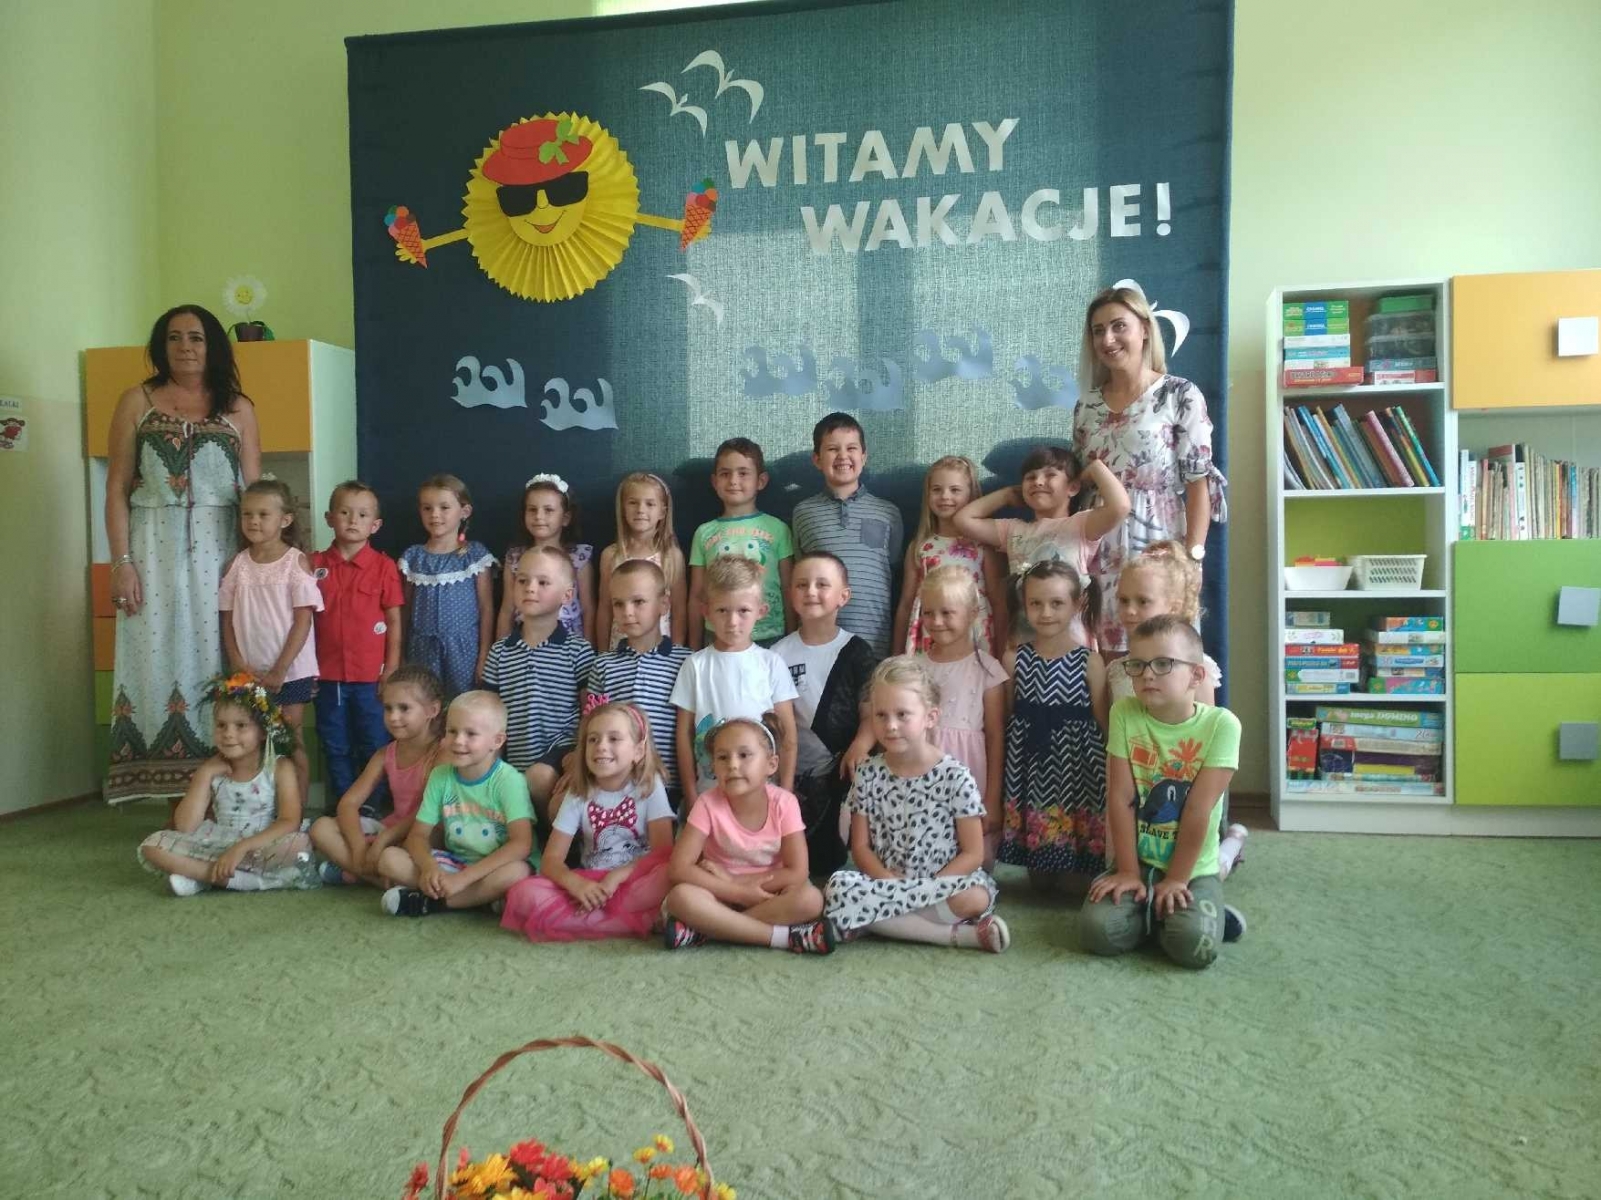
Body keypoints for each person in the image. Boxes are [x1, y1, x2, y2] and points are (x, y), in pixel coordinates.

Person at [104, 304, 261, 805]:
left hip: (223, 552)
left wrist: (263, 564)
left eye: (196, 337)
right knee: (156, 662)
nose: (185, 347)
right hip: (152, 550)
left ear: (212, 345)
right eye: (174, 337)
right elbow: (116, 488)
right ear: (160, 345)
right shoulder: (137, 401)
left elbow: (256, 492)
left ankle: (230, 796)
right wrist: (121, 563)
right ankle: (174, 801)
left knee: (223, 659)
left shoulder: (239, 408)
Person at [1072, 283, 1229, 653]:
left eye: (1118, 326)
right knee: (1105, 654)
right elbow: (1080, 478)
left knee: (1164, 651)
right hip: (1098, 542)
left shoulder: (1180, 394)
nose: (1108, 339)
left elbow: (1198, 482)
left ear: (1144, 329)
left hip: (1159, 541)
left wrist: (1192, 559)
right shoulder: (1086, 406)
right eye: (1098, 331)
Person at [1081, 615, 1244, 968]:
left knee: (1193, 949)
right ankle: (1162, 915)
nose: (1147, 675)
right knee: (1097, 933)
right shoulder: (1125, 713)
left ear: (1196, 676)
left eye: (1163, 664)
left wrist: (1177, 880)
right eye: (1137, 665)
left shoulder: (1222, 725)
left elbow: (1197, 810)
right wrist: (1128, 871)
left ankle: (1203, 910)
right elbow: (1121, 799)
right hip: (1140, 861)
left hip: (1192, 869)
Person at [823, 657, 1008, 952]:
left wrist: (927, 886)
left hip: (941, 884)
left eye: (902, 715)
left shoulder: (956, 776)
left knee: (976, 896)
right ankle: (954, 935)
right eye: (881, 715)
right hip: (887, 882)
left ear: (930, 717)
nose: (891, 726)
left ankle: (870, 921)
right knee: (837, 888)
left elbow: (973, 853)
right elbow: (860, 847)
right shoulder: (867, 774)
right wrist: (888, 881)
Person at [1109, 540, 1245, 876]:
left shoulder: (1197, 671)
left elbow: (1204, 734)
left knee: (1209, 866)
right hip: (1140, 779)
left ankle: (1233, 842)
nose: (1129, 611)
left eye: (1142, 601)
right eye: (1123, 600)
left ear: (1174, 605)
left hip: (1187, 789)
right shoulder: (1117, 669)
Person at [500, 702, 675, 942]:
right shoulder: (578, 793)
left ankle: (593, 920)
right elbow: (551, 860)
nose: (601, 746)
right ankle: (631, 921)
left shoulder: (649, 786)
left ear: (638, 751)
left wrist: (618, 876)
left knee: (670, 874)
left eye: (614, 738)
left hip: (636, 880)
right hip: (591, 883)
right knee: (523, 894)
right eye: (593, 739)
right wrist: (576, 885)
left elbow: (663, 853)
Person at [662, 715, 833, 954]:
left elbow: (798, 871)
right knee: (681, 897)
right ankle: (783, 938)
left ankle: (707, 930)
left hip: (768, 894)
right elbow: (678, 868)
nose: (732, 764)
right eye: (723, 757)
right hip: (719, 892)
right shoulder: (707, 803)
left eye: (744, 755)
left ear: (771, 765)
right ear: (713, 767)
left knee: (811, 900)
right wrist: (736, 891)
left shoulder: (785, 803)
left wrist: (739, 884)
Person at [136, 673, 316, 895]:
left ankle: (202, 875)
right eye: (221, 725)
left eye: (241, 725)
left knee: (298, 845)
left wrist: (241, 848)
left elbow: (290, 821)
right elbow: (185, 827)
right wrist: (204, 775)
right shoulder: (212, 769)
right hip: (218, 841)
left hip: (260, 844)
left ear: (262, 732)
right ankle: (236, 879)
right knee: (152, 845)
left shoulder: (279, 767)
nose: (229, 734)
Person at [952, 445, 1129, 649]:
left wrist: (1095, 468)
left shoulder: (1080, 525)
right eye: (1030, 477)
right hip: (1024, 644)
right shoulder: (1013, 530)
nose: (1038, 481)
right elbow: (963, 520)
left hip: (1072, 645)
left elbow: (1120, 506)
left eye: (1050, 475)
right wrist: (1005, 495)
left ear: (1072, 487)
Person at [999, 562, 1109, 887]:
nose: (1046, 612)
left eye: (1057, 603)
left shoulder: (1090, 661)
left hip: (1078, 766)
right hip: (1031, 763)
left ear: (1077, 604)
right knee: (1041, 883)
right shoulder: (1013, 659)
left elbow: (1102, 721)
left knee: (1078, 880)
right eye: (1036, 603)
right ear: (1024, 604)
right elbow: (1009, 714)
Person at [377, 691, 535, 916]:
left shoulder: (509, 781)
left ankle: (433, 903)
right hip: (453, 863)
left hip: (493, 868)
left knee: (517, 872)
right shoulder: (440, 776)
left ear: (497, 741)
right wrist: (429, 868)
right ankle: (479, 900)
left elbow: (521, 845)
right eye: (452, 731)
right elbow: (417, 836)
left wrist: (463, 880)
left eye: (471, 734)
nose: (458, 741)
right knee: (389, 859)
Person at [772, 553, 878, 875]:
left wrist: (860, 745)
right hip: (792, 772)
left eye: (822, 584)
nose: (811, 592)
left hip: (841, 774)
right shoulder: (777, 654)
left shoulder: (857, 651)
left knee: (830, 861)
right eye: (801, 585)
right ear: (790, 594)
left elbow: (872, 712)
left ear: (843, 596)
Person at [218, 478, 322, 800]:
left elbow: (303, 621)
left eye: (263, 514)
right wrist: (238, 663)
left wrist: (280, 669)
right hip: (249, 673)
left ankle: (296, 812)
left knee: (289, 740)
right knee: (252, 741)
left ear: (285, 520)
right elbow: (226, 620)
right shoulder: (237, 565)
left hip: (290, 672)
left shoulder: (295, 562)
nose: (254, 521)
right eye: (247, 514)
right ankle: (261, 807)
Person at [480, 546, 594, 822]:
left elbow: (590, 713)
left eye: (543, 582)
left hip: (562, 756)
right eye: (523, 580)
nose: (530, 588)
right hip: (514, 758)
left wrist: (579, 759)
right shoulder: (500, 652)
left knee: (539, 777)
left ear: (567, 595)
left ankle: (553, 840)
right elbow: (488, 717)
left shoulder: (578, 650)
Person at [310, 480, 404, 813]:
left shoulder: (384, 567)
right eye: (345, 512)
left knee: (374, 742)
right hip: (327, 676)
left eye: (363, 515)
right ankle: (343, 807)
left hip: (370, 678)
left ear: (375, 525)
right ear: (329, 518)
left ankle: (371, 808)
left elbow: (394, 622)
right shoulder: (312, 565)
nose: (353, 520)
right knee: (335, 743)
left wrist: (391, 669)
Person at [671, 556, 799, 797]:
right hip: (709, 796)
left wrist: (786, 794)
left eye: (743, 611)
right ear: (706, 611)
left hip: (763, 797)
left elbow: (788, 736)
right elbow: (684, 736)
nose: (732, 622)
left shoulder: (771, 664)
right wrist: (691, 795)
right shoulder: (694, 665)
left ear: (761, 611)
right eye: (722, 610)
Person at [308, 665, 444, 887]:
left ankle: (362, 873)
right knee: (320, 828)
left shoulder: (441, 754)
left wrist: (383, 840)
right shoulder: (385, 754)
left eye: (404, 708)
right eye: (388, 708)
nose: (393, 717)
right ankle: (372, 874)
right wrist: (359, 849)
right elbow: (348, 804)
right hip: (392, 830)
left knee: (396, 854)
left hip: (424, 834)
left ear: (432, 710)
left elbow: (428, 811)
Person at [913, 566, 1007, 868]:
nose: (936, 622)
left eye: (947, 612)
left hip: (970, 771)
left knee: (969, 856)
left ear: (973, 613)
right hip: (922, 772)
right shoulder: (914, 667)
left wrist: (992, 799)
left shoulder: (988, 669)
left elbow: (996, 737)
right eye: (928, 613)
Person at [790, 413, 904, 657]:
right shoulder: (803, 513)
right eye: (833, 449)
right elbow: (799, 575)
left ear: (864, 456)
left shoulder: (888, 513)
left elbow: (894, 575)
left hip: (873, 643)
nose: (843, 456)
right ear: (817, 459)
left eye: (851, 448)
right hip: (816, 644)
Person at [583, 559, 691, 810]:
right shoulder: (603, 665)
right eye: (618, 604)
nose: (627, 612)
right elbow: (591, 725)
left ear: (664, 604)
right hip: (614, 787)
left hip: (668, 785)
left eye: (638, 602)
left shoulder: (686, 661)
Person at [892, 455, 1004, 657]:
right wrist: (896, 655)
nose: (945, 496)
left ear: (971, 495)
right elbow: (906, 604)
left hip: (974, 640)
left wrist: (1003, 652)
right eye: (937, 489)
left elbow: (998, 602)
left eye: (955, 490)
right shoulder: (920, 547)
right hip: (929, 640)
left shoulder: (983, 547)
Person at [686, 437, 793, 649]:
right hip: (718, 636)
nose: (733, 481)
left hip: (770, 636)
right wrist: (694, 647)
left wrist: (792, 638)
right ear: (714, 481)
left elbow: (788, 588)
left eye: (743, 473)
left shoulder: (778, 529)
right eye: (725, 474)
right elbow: (697, 595)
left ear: (761, 481)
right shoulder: (703, 533)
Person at [398, 474, 496, 697]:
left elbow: (486, 608)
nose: (435, 514)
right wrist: (400, 653)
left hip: (464, 649)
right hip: (421, 648)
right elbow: (404, 609)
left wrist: (484, 655)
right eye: (427, 508)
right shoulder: (413, 557)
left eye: (444, 507)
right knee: (422, 700)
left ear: (464, 511)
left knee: (463, 703)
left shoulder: (474, 555)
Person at [496, 473, 595, 646]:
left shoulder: (578, 558)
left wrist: (589, 650)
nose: (539, 516)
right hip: (526, 641)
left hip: (568, 645)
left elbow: (588, 609)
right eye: (532, 509)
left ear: (565, 518)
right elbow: (507, 609)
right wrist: (500, 650)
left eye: (548, 510)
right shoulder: (515, 558)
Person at [595, 472, 687, 649]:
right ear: (623, 508)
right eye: (633, 503)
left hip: (660, 653)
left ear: (662, 512)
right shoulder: (611, 556)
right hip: (619, 652)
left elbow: (679, 611)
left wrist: (677, 651)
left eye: (650, 504)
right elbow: (605, 608)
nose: (640, 510)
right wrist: (603, 652)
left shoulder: (671, 556)